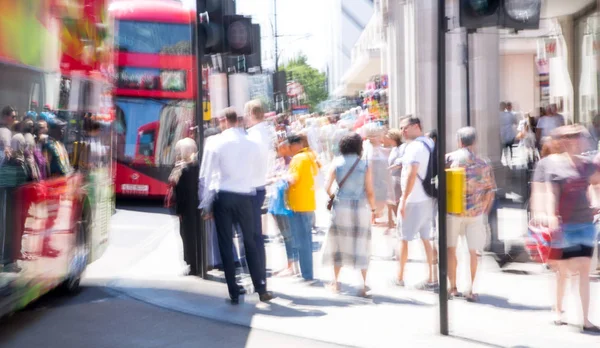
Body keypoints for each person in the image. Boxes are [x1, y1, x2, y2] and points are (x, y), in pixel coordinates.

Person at [200, 108, 273, 304]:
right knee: (250, 242)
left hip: (224, 195)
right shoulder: (251, 142)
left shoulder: (215, 142)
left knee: (225, 242)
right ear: (238, 120)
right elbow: (259, 169)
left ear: (223, 120)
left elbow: (206, 176)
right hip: (246, 195)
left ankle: (233, 290)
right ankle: (260, 286)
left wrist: (206, 204)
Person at [531, 125, 599, 333]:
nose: (575, 142)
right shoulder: (552, 166)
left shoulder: (588, 166)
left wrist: (596, 201)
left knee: (584, 269)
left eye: (578, 138)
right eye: (570, 139)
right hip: (565, 225)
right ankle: (558, 308)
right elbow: (549, 193)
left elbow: (596, 184)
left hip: (585, 223)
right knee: (564, 272)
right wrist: (548, 215)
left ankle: (585, 319)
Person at [445, 127, 496, 301]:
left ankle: (453, 287)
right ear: (474, 141)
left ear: (459, 141)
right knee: (474, 252)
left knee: (451, 250)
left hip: (453, 211)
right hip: (475, 213)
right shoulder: (484, 162)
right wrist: (484, 210)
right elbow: (490, 190)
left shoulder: (450, 158)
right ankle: (471, 289)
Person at [323, 133, 376, 297]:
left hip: (341, 207)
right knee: (362, 244)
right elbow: (370, 191)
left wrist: (334, 197)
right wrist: (373, 209)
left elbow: (327, 186)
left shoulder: (336, 163)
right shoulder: (364, 165)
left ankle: (336, 283)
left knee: (338, 244)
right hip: (360, 207)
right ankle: (363, 284)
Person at [396, 116, 435, 288]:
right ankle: (432, 277)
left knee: (403, 238)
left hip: (413, 199)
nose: (402, 131)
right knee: (426, 238)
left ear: (416, 126)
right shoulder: (429, 143)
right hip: (427, 196)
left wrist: (403, 199)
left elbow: (412, 174)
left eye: (405, 127)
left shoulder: (414, 147)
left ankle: (399, 277)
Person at [245, 99, 277, 288]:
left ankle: (257, 278)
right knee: (256, 234)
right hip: (260, 185)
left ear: (250, 114)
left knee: (252, 235)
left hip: (250, 187)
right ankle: (259, 276)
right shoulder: (267, 133)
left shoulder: (253, 135)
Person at [286, 134, 319, 282]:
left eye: (290, 146)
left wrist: (280, 179)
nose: (289, 150)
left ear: (296, 145)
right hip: (308, 202)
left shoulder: (298, 158)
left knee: (301, 241)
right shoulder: (311, 155)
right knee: (305, 239)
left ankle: (306, 274)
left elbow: (293, 179)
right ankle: (306, 272)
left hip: (298, 204)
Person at [169, 138, 200, 275]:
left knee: (187, 236)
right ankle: (195, 263)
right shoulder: (197, 166)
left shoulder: (182, 169)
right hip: (197, 207)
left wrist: (178, 211)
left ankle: (192, 265)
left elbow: (180, 193)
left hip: (186, 210)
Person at [386, 128, 404, 231]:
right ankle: (399, 221)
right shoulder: (394, 148)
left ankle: (400, 221)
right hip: (392, 177)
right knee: (392, 201)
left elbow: (400, 163)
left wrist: (389, 168)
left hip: (398, 177)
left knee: (395, 201)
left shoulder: (402, 148)